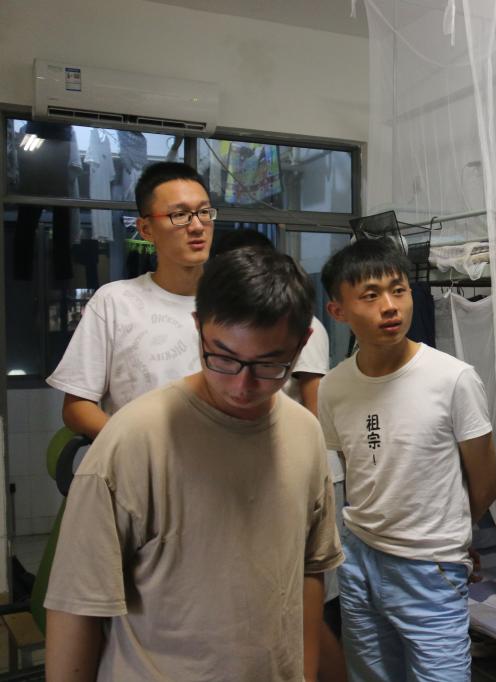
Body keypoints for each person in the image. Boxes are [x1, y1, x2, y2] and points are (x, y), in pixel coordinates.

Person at [43, 246, 343, 682]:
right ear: (198, 326)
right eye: (222, 357)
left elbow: (311, 568)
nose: (241, 385)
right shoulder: (132, 440)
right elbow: (76, 605)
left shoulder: (306, 434)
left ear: (303, 343)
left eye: (269, 364)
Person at [318, 238, 496, 681]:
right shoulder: (333, 387)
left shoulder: (453, 379)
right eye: (370, 295)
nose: (390, 307)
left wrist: (449, 535)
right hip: (358, 559)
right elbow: (357, 470)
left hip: (430, 566)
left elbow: (485, 484)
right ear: (338, 311)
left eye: (398, 290)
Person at [210, 227, 348, 680]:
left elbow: (314, 405)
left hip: (299, 470)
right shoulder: (224, 325)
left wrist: (304, 467)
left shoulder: (301, 326)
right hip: (256, 472)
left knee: (310, 598)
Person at [47, 161, 216, 439]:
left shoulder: (235, 303)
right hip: (139, 460)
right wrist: (135, 445)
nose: (197, 226)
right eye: (180, 215)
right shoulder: (115, 302)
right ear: (146, 229)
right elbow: (77, 407)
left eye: (204, 212)